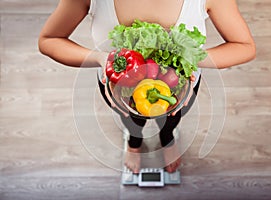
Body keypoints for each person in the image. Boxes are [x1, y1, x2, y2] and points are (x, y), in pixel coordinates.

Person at [38, 0, 256, 174]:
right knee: (131, 119)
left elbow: (245, 47)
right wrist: (98, 58)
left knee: (171, 119)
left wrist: (191, 58)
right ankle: (134, 143)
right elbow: (49, 39)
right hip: (120, 91)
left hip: (180, 88)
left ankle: (167, 140)